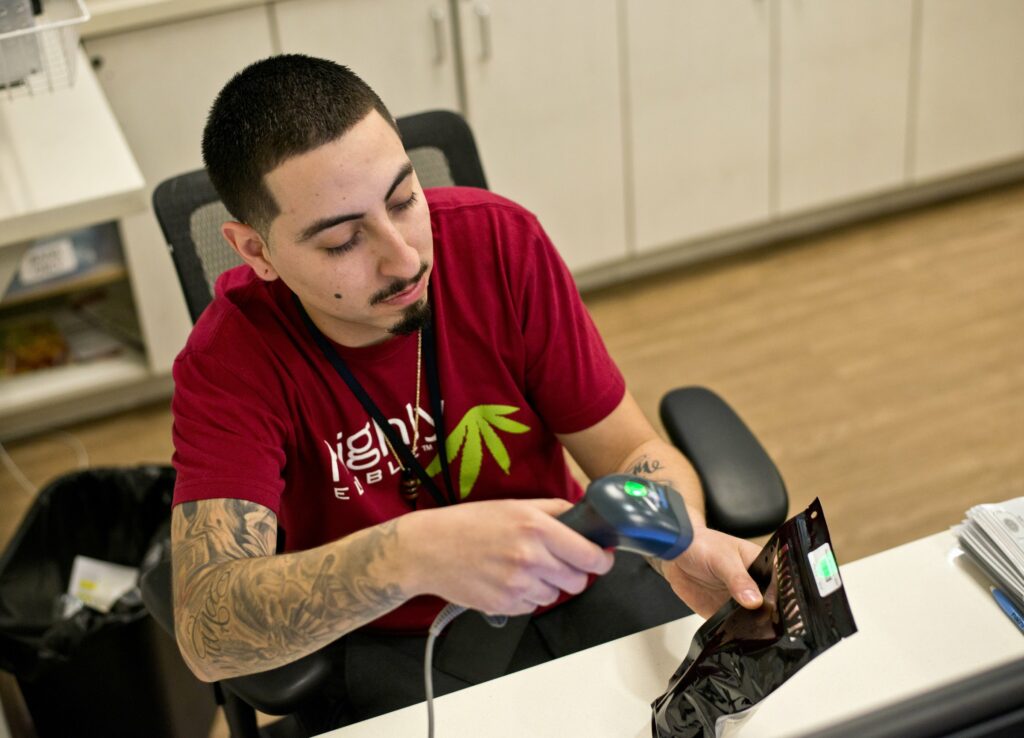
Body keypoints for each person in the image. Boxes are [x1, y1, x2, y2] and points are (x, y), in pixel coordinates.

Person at [169, 54, 764, 731]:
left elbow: (629, 451)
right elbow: (208, 630)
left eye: (403, 200)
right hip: (401, 636)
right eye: (341, 241)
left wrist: (677, 535)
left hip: (577, 572)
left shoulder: (499, 243)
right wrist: (412, 553)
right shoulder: (229, 359)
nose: (405, 258)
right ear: (255, 251)